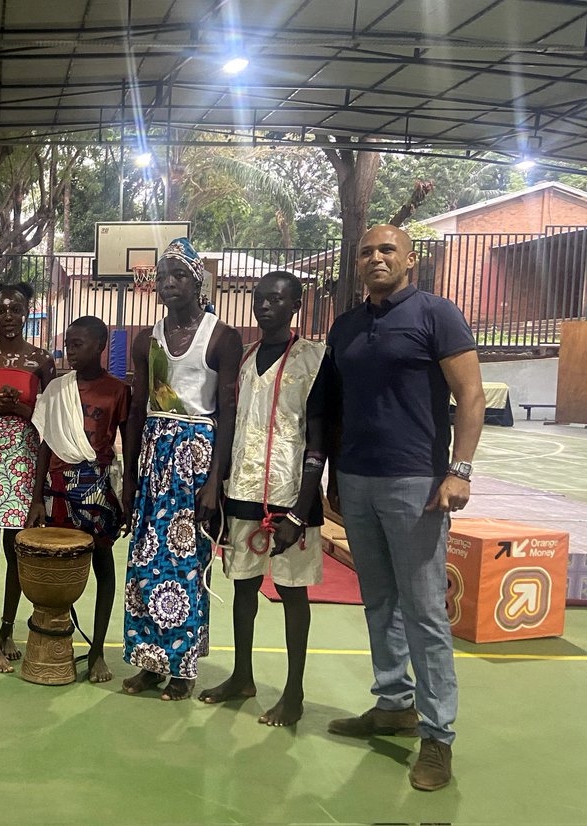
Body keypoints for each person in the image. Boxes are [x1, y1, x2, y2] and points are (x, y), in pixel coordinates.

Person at [326, 224, 485, 791]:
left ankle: (438, 736)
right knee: (379, 600)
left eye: (386, 249)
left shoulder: (437, 314)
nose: (375, 258)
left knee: (423, 610)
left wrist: (459, 470)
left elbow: (470, 395)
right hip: (357, 480)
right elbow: (339, 403)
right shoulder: (344, 327)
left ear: (410, 260)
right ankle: (393, 703)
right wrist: (333, 477)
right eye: (366, 251)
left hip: (416, 482)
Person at [197, 272, 328, 727]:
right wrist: (220, 486)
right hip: (244, 492)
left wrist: (299, 509)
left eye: (277, 299)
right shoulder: (246, 357)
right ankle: (242, 676)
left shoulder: (314, 358)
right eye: (260, 299)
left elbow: (319, 439)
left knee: (293, 593)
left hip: (292, 497)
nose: (266, 306)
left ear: (295, 304)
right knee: (243, 588)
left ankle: (294, 693)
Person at [121, 238, 242, 702]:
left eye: (179, 275)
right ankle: (150, 663)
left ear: (198, 281)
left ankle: (183, 668)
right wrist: (130, 476)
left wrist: (216, 480)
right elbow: (136, 409)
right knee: (145, 563)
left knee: (187, 564)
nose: (169, 284)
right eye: (163, 275)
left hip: (196, 457)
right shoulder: (146, 338)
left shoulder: (221, 337)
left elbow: (227, 412)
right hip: (154, 456)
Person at [26, 315, 129, 682]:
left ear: (101, 346)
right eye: (68, 343)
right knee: (57, 570)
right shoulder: (56, 389)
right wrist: (36, 497)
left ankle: (98, 649)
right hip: (56, 488)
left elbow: (127, 449)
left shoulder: (117, 391)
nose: (71, 350)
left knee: (102, 565)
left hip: (96, 487)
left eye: (79, 343)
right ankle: (58, 642)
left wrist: (127, 496)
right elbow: (44, 444)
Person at [0, 282, 55, 672]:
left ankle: (7, 629)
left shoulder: (42, 361)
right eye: (1, 311)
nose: (8, 317)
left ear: (26, 312)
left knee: (17, 549)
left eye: (15, 310)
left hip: (25, 455)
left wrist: (19, 409)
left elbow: (50, 421)